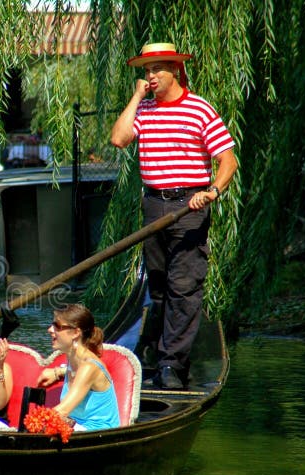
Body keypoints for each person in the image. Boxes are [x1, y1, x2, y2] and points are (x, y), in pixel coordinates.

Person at [110, 43, 238, 389]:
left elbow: (228, 160)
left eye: (157, 70)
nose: (150, 77)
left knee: (184, 286)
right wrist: (136, 97)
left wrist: (211, 191)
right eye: (147, 71)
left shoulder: (199, 109)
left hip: (189, 205)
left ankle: (171, 365)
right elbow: (119, 139)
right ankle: (167, 360)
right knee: (160, 287)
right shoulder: (144, 110)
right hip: (153, 206)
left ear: (175, 71)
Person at [36, 304, 120, 432]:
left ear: (76, 333)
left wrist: (33, 422)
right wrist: (57, 372)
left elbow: (63, 411)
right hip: (76, 430)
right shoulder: (73, 361)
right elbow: (76, 373)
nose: (50, 330)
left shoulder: (89, 367)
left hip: (98, 436)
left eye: (57, 326)